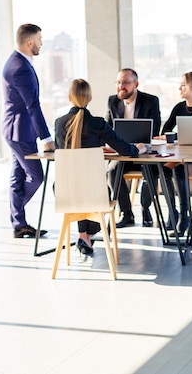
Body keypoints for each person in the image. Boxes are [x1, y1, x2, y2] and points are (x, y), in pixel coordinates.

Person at [55, 78, 146, 255]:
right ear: (90, 98)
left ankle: (83, 236)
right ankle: (87, 235)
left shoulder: (59, 123)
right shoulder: (97, 124)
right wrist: (139, 148)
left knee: (80, 188)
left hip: (63, 192)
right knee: (97, 190)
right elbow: (126, 150)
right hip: (94, 194)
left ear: (69, 97)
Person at [2, 24, 55, 238]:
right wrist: (47, 138)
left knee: (17, 176)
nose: (42, 43)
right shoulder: (20, 67)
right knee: (36, 176)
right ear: (30, 42)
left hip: (17, 130)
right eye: (40, 39)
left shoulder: (17, 62)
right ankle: (16, 215)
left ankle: (19, 223)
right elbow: (32, 105)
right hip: (20, 132)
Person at [157, 71, 192, 232]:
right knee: (164, 169)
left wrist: (176, 135)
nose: (179, 88)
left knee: (178, 168)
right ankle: (173, 212)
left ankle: (184, 216)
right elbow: (166, 129)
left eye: (183, 85)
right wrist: (175, 136)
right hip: (183, 156)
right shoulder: (179, 107)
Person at [105, 68, 161, 228]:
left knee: (150, 172)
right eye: (118, 82)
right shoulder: (112, 101)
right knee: (112, 171)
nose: (121, 86)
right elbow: (108, 127)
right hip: (123, 152)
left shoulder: (150, 101)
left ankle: (145, 208)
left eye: (125, 83)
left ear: (136, 84)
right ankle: (127, 213)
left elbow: (155, 129)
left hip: (145, 152)